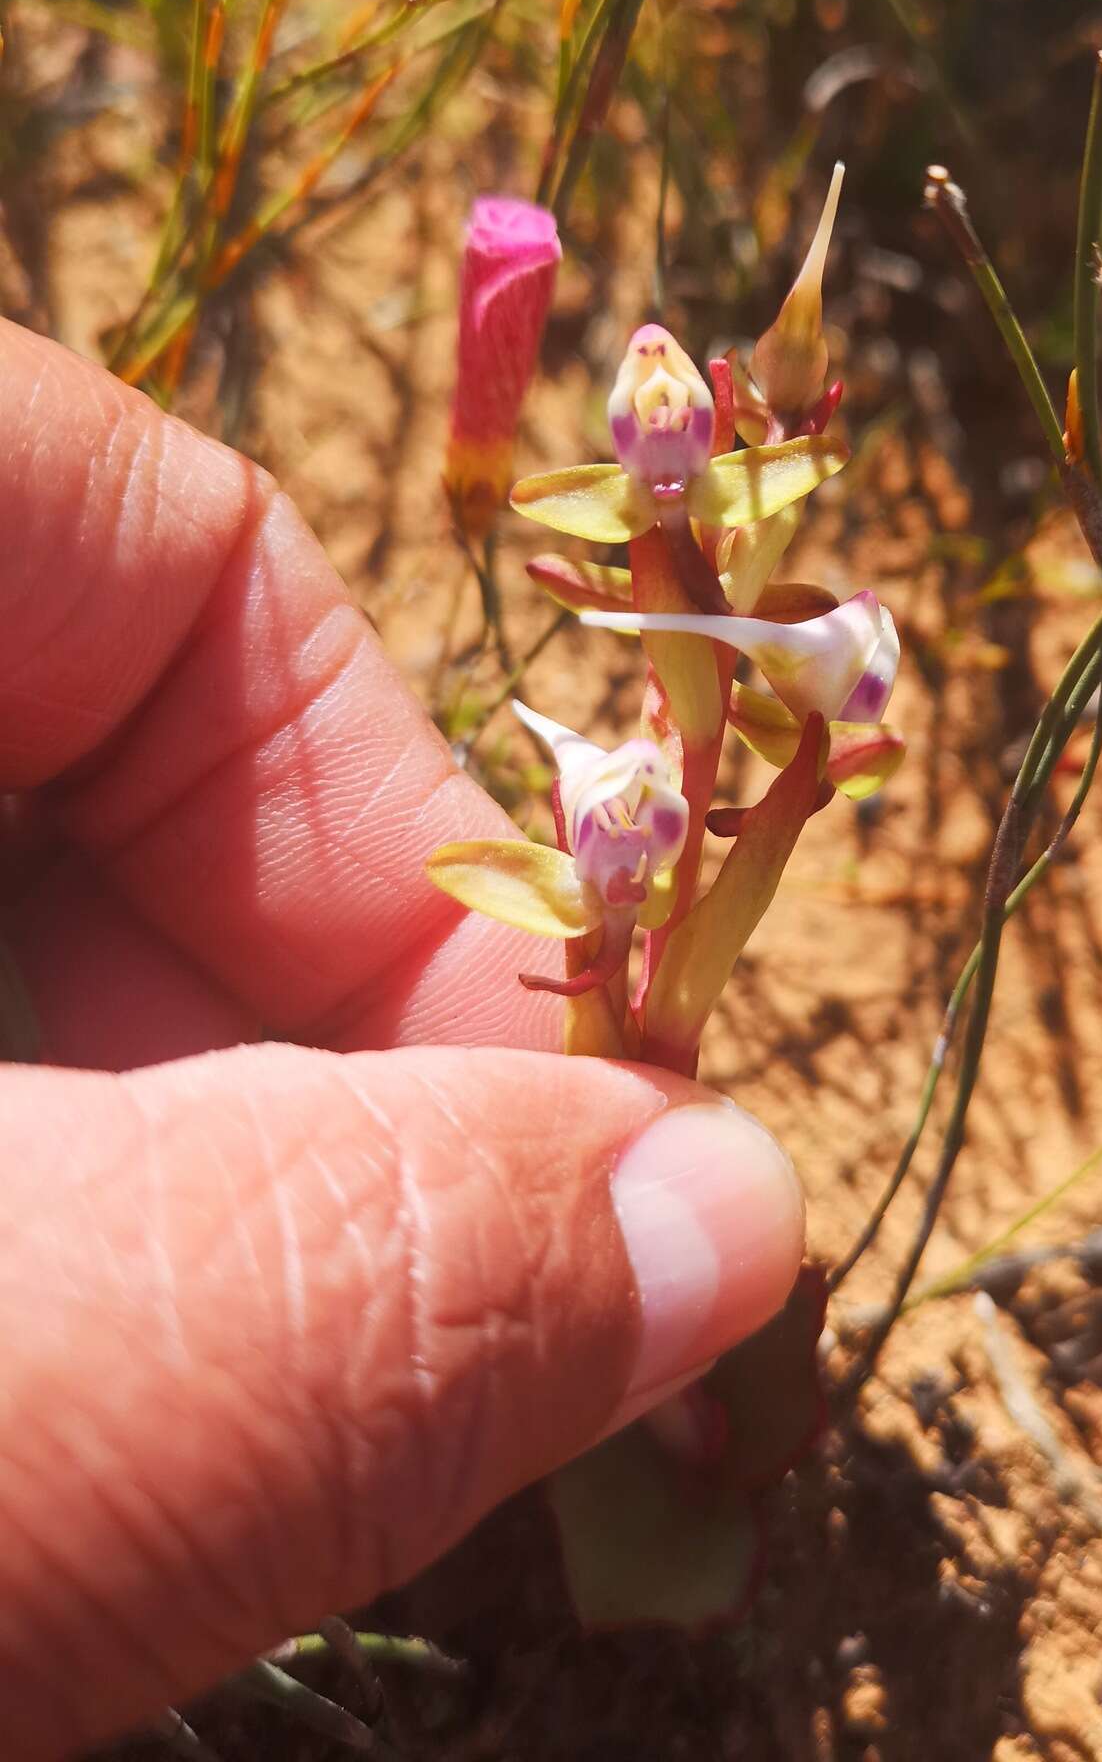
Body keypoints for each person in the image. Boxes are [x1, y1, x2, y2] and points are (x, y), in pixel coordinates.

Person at [0, 319, 805, 1759]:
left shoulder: (718, 540)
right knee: (615, 1059)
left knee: (650, 1009)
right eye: (646, 403)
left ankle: (673, 1420)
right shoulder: (568, 876)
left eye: (681, 407)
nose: (660, 393)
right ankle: (620, 1412)